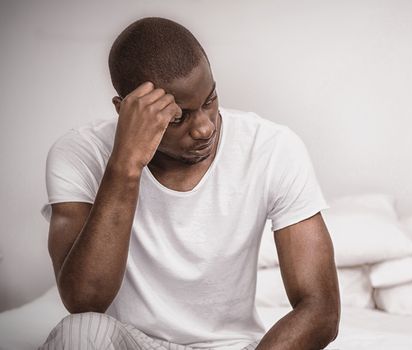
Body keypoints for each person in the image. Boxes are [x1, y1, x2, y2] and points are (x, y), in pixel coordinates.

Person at [40, 17, 340, 350]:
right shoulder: (80, 154)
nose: (204, 129)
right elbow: (85, 299)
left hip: (235, 348)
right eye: (179, 116)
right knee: (77, 332)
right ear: (126, 110)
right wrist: (125, 164)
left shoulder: (271, 147)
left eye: (210, 101)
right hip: (130, 343)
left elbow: (320, 309)